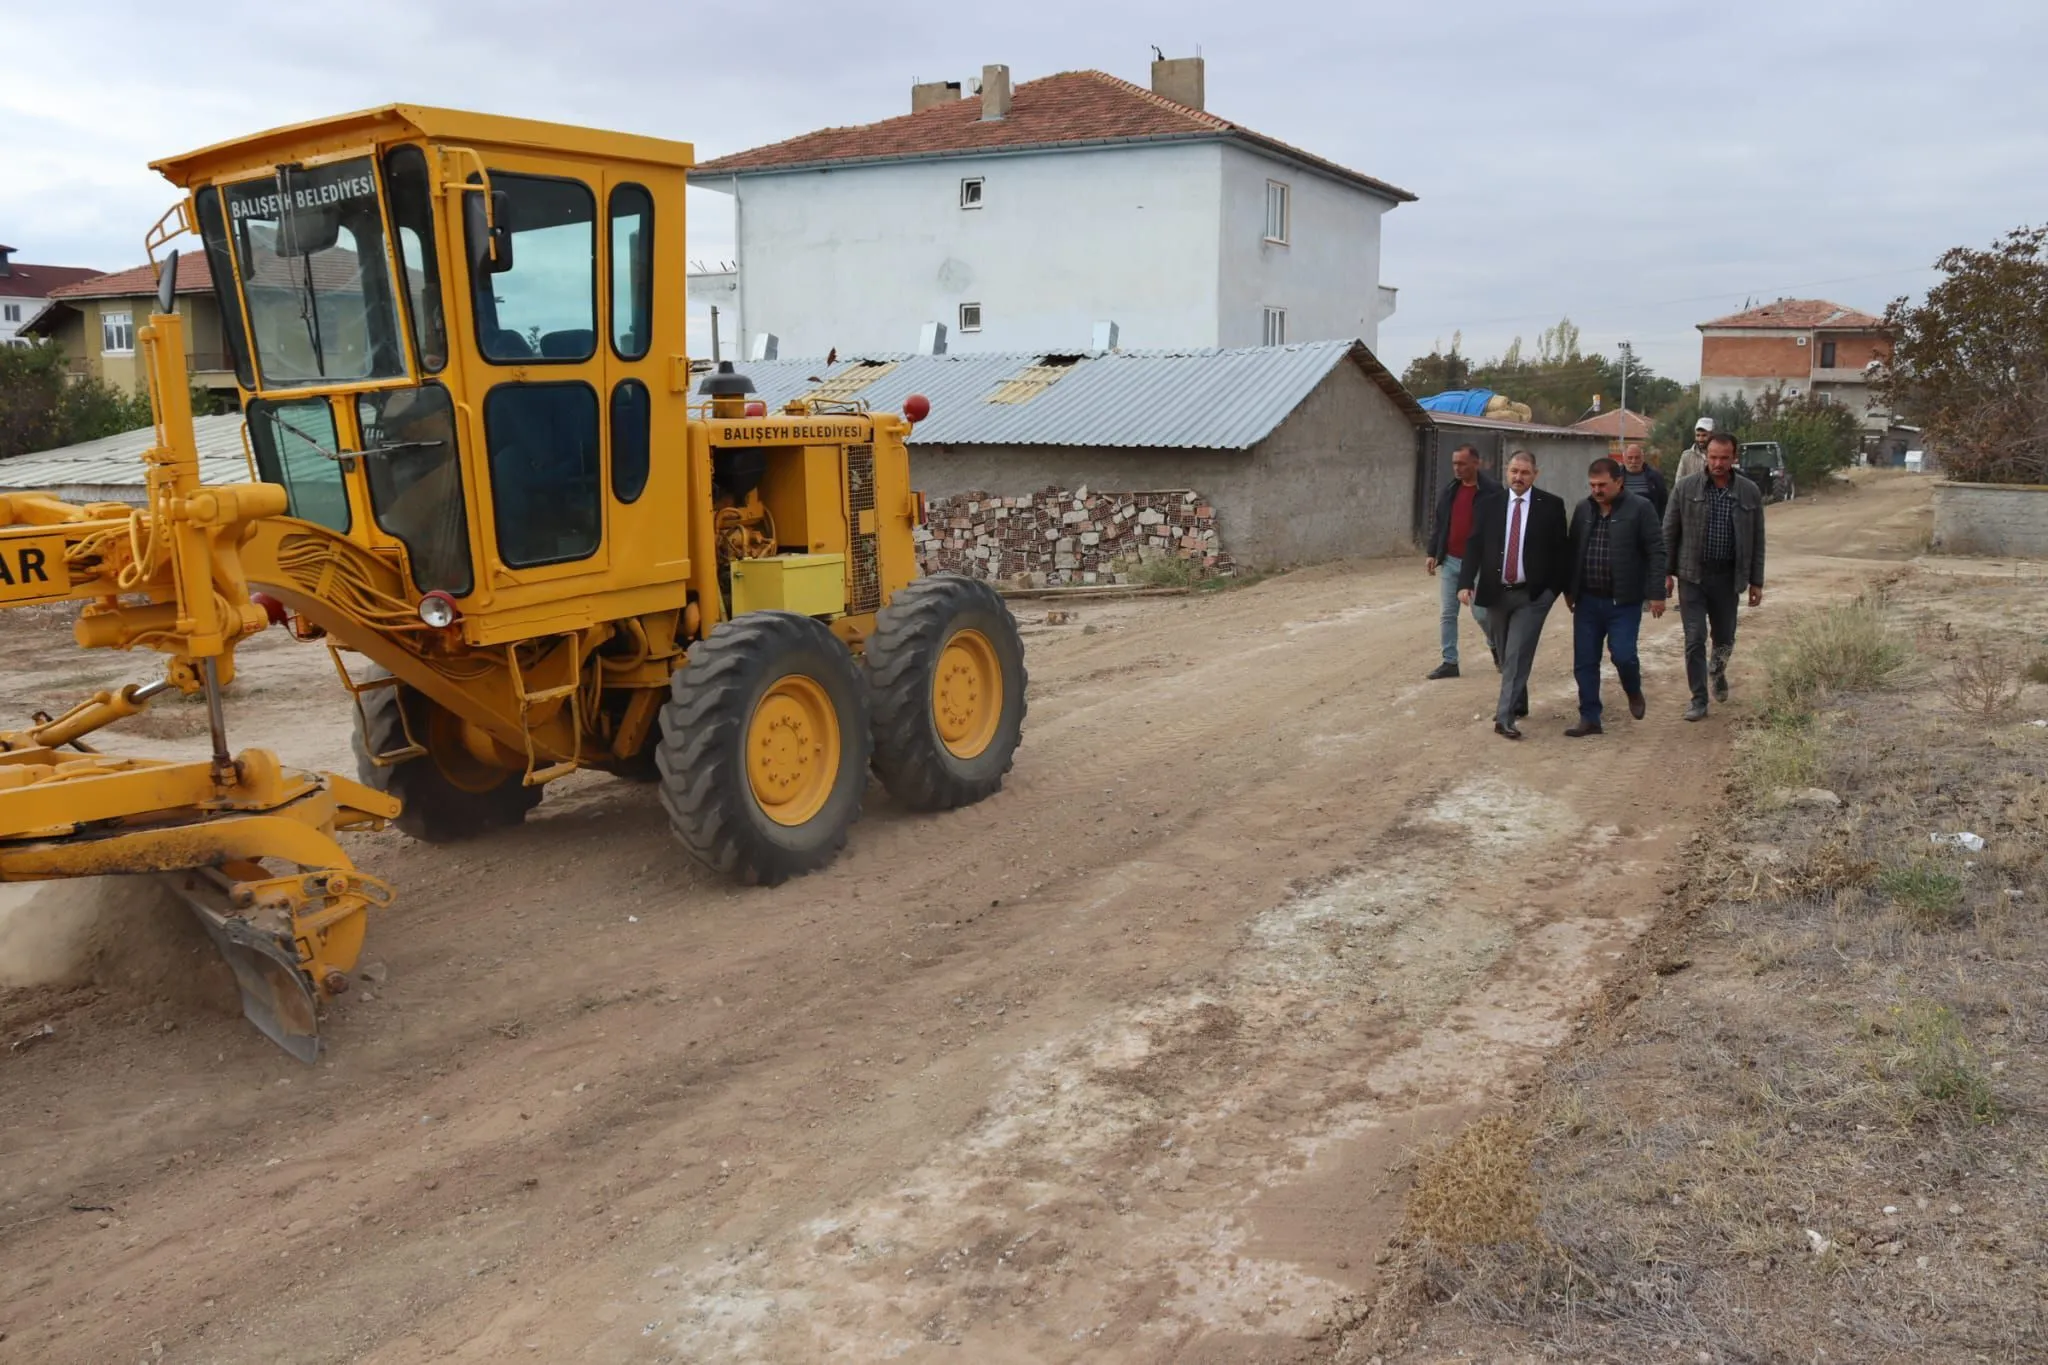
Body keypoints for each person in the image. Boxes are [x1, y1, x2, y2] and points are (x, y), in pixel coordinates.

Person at [1458, 450, 1571, 740]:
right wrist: (1465, 581)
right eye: (1513, 471)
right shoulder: (1488, 504)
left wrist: (1551, 592)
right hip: (1496, 593)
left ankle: (1504, 717)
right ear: (1506, 473)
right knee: (1507, 652)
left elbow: (1561, 553)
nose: (1518, 477)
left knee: (1517, 654)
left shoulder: (1551, 506)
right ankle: (1518, 701)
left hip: (1530, 596)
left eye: (1524, 472)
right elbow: (1473, 544)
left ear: (1535, 474)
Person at [1664, 430, 1766, 722]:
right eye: (1713, 457)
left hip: (1727, 578)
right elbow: (1668, 533)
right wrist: (1664, 574)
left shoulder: (1749, 491)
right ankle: (1698, 699)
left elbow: (1757, 539)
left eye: (1724, 457)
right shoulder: (1686, 488)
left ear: (1735, 457)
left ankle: (1717, 670)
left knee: (1725, 638)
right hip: (1692, 576)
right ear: (1705, 456)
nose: (1718, 463)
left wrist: (1756, 581)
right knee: (1694, 638)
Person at [1563, 457, 1668, 737]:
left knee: (1623, 655)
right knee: (1585, 661)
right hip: (1587, 601)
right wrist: (1569, 589)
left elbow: (1656, 552)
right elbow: (1573, 551)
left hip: (1624, 601)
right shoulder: (1584, 509)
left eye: (1602, 485)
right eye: (1592, 485)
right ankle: (1590, 717)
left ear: (1619, 482)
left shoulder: (1641, 509)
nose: (1597, 490)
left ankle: (1633, 690)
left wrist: (1657, 593)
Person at [1423, 443, 1498, 679]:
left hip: (1478, 564)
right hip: (1452, 560)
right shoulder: (1450, 491)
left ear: (1476, 463)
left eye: (1462, 463)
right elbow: (1440, 524)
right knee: (1447, 613)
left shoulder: (1493, 492)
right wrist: (1433, 552)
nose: (1457, 468)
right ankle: (1449, 662)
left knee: (1482, 614)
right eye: (1455, 463)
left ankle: (1496, 645)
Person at [1619, 442, 1668, 518]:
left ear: (1642, 458)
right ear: (1624, 458)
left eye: (1637, 457)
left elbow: (1663, 501)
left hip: (1648, 520)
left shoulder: (1655, 477)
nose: (1633, 461)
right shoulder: (1616, 476)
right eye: (1630, 458)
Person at [1676, 417, 1714, 483]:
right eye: (1698, 435)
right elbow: (1679, 482)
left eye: (1704, 435)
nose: (1700, 439)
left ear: (1712, 434)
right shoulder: (1686, 456)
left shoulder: (1719, 456)